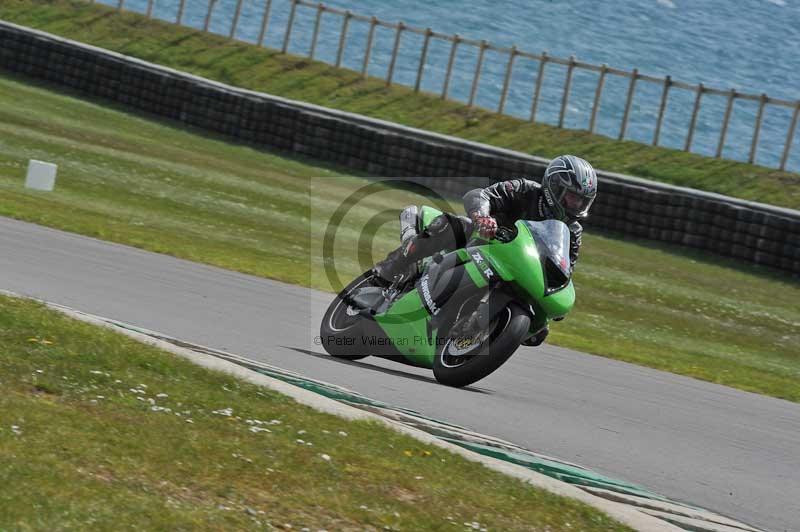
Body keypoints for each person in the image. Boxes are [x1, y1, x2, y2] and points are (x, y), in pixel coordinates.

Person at [373, 154, 598, 345]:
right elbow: (480, 195)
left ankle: (472, 335)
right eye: (572, 198)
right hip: (482, 241)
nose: (576, 206)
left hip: (518, 269)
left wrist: (556, 301)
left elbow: (564, 269)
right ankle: (389, 269)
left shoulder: (573, 231)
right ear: (554, 187)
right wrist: (482, 216)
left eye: (582, 202)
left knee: (539, 332)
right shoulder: (525, 190)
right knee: (450, 225)